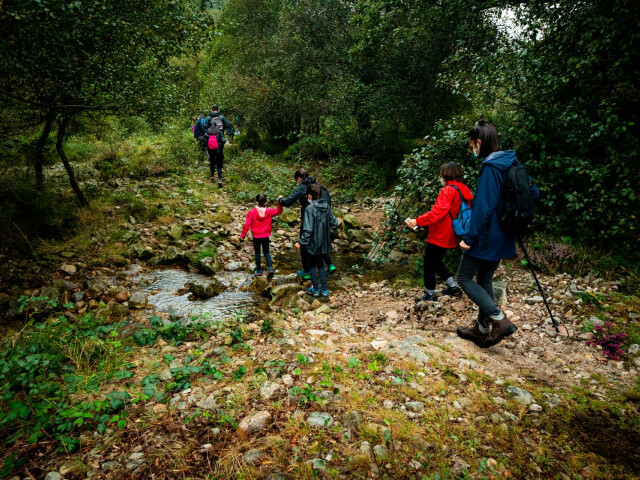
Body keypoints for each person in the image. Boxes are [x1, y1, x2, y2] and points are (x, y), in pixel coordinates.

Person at [456, 119, 539, 348]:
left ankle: (500, 320)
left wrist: (469, 238)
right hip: (505, 233)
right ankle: (482, 329)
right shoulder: (512, 161)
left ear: (479, 142)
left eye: (472, 145)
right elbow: (534, 194)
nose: (472, 149)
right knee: (484, 278)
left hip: (486, 235)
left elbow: (483, 207)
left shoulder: (491, 167)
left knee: (463, 277)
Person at [406, 162, 472, 301]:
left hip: (440, 232)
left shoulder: (447, 190)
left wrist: (417, 221)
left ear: (447, 174)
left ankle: (430, 293)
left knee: (429, 263)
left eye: (441, 175)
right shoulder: (462, 188)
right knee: (436, 261)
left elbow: (437, 213)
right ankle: (453, 287)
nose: (440, 177)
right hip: (452, 232)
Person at [278, 168, 336, 279]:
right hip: (324, 219)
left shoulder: (302, 188)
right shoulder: (319, 186)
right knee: (320, 240)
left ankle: (307, 270)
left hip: (309, 218)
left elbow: (288, 202)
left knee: (305, 241)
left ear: (299, 179)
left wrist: (280, 200)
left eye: (296, 180)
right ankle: (330, 264)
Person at [295, 184, 338, 298]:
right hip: (324, 241)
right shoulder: (326, 206)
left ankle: (315, 288)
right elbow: (334, 222)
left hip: (313, 243)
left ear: (309, 195)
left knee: (312, 265)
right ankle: (324, 290)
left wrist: (300, 242)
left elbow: (308, 230)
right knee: (321, 264)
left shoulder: (309, 209)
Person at [240, 194, 283, 278]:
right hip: (265, 236)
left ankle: (259, 270)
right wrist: (279, 202)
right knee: (266, 252)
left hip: (256, 237)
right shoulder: (269, 211)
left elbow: (247, 224)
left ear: (256, 202)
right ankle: (270, 268)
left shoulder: (251, 212)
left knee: (257, 253)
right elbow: (279, 211)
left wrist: (243, 235)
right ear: (266, 203)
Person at [205, 106, 230, 187]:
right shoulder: (221, 117)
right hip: (219, 141)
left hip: (211, 144)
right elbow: (227, 125)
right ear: (217, 110)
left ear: (211, 110)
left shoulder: (209, 118)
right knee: (219, 157)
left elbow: (205, 126)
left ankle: (212, 176)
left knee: (212, 161)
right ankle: (220, 177)